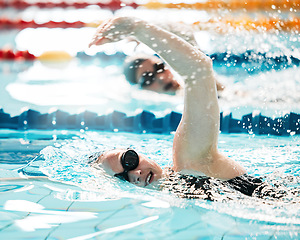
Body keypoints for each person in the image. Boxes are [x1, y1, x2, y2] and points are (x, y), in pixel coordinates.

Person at [88, 16, 270, 200]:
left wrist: (137, 29)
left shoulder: (188, 160)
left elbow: (198, 70)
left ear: (138, 152)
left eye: (129, 161)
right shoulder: (175, 192)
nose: (135, 174)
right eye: (121, 179)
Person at [122, 23, 225, 95]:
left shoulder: (193, 80)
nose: (161, 77)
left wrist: (143, 31)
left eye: (159, 67)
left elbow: (184, 32)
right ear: (139, 88)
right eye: (148, 79)